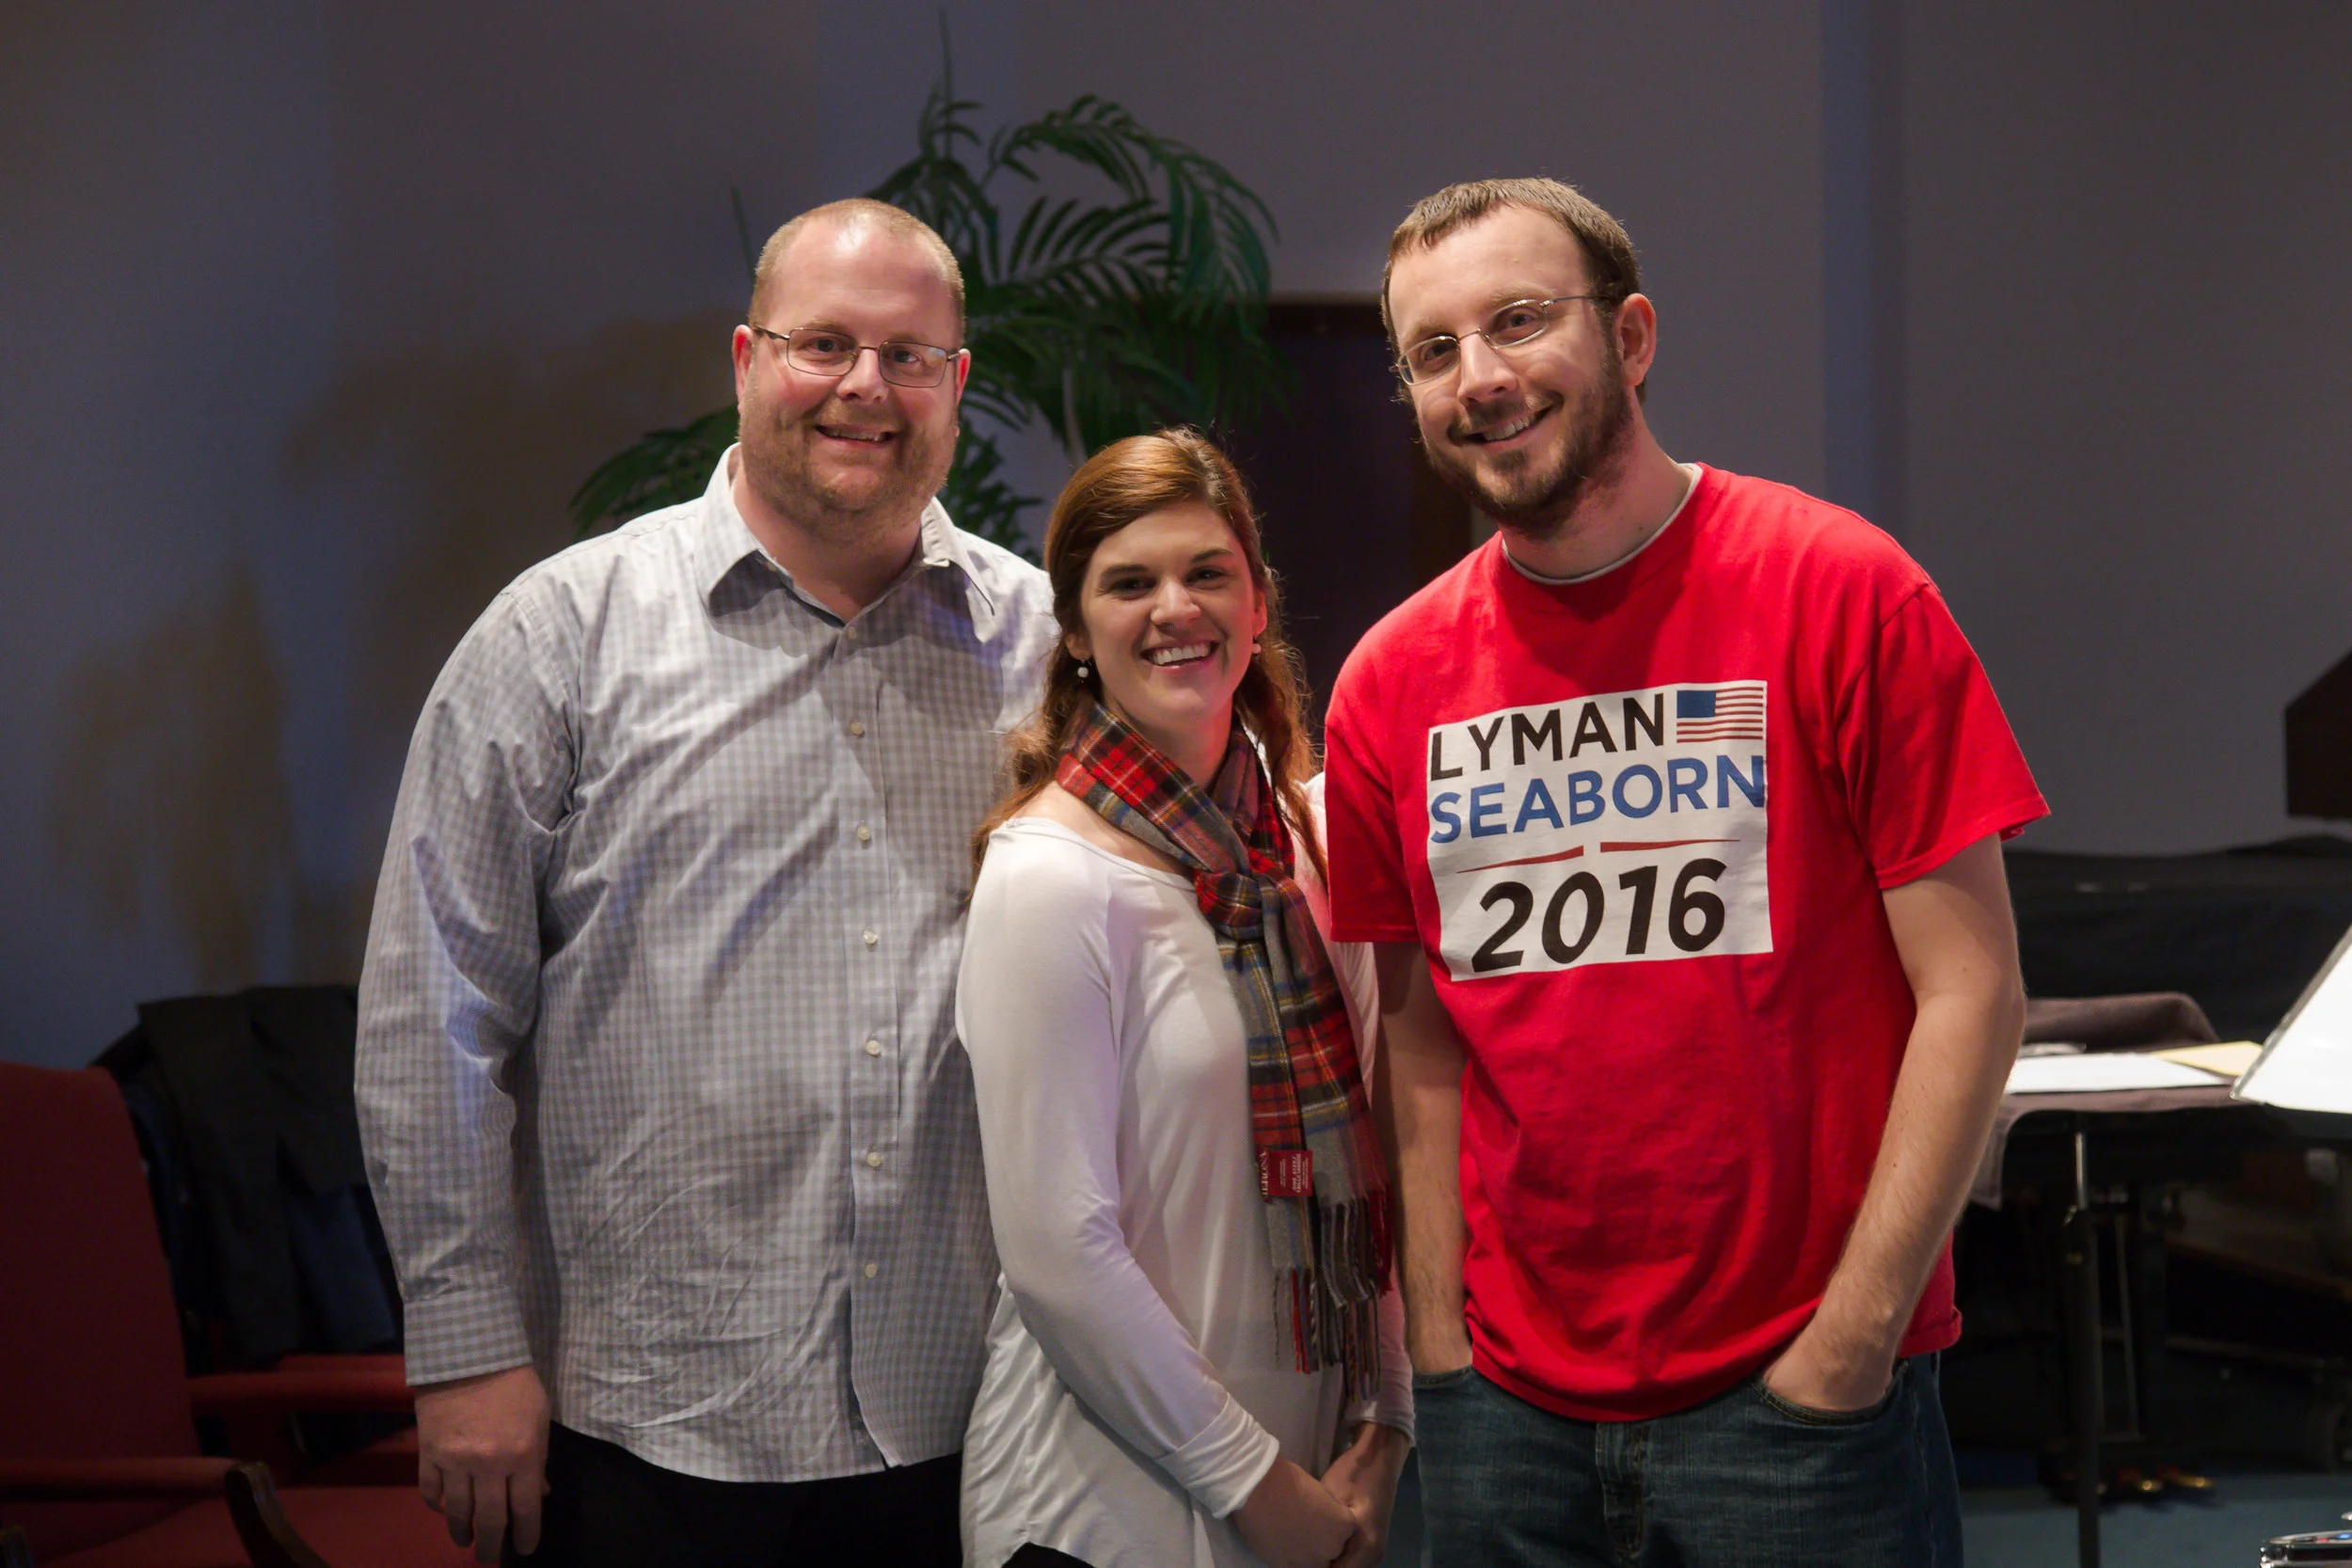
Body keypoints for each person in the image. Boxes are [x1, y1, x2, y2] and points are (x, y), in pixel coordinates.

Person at [1322, 177, 2049, 1565]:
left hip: (1801, 1407)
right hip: (1506, 1417)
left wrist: (1852, 1340)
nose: (1480, 377)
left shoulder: (1845, 590)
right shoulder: (1390, 678)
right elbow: (1418, 1043)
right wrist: (1442, 1347)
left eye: (1518, 320)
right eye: (1433, 349)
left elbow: (1974, 993)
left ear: (1632, 336)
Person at [355, 198, 1057, 1567]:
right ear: (747, 359)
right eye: (823, 344)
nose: (866, 386)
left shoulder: (1044, 648)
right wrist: (466, 1346)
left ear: (958, 383)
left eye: (909, 355)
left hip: (975, 1422)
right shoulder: (560, 635)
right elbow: (430, 1016)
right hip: (651, 1423)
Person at [955, 430, 1414, 1568]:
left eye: (1207, 572)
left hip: (1319, 1484)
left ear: (1256, 603)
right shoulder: (1049, 874)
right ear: (1074, 630)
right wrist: (1256, 1487)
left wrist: (1385, 1420)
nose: (1176, 608)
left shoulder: (1307, 843)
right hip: (1100, 1505)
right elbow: (1058, 1255)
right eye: (1129, 582)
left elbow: (1380, 1161)